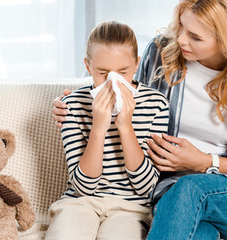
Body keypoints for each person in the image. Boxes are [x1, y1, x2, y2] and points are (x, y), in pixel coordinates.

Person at [51, 0, 227, 239]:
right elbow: (129, 94)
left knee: (190, 187)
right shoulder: (160, 53)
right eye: (181, 27)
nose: (182, 40)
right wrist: (79, 100)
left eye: (195, 37)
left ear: (226, 39)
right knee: (198, 231)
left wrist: (205, 162)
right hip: (171, 196)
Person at [45, 21, 169, 240]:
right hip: (79, 202)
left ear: (137, 64)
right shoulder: (72, 105)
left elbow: (146, 187)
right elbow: (84, 187)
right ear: (87, 66)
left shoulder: (156, 104)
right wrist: (98, 128)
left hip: (131, 208)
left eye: (123, 72)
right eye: (102, 73)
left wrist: (125, 126)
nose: (113, 82)